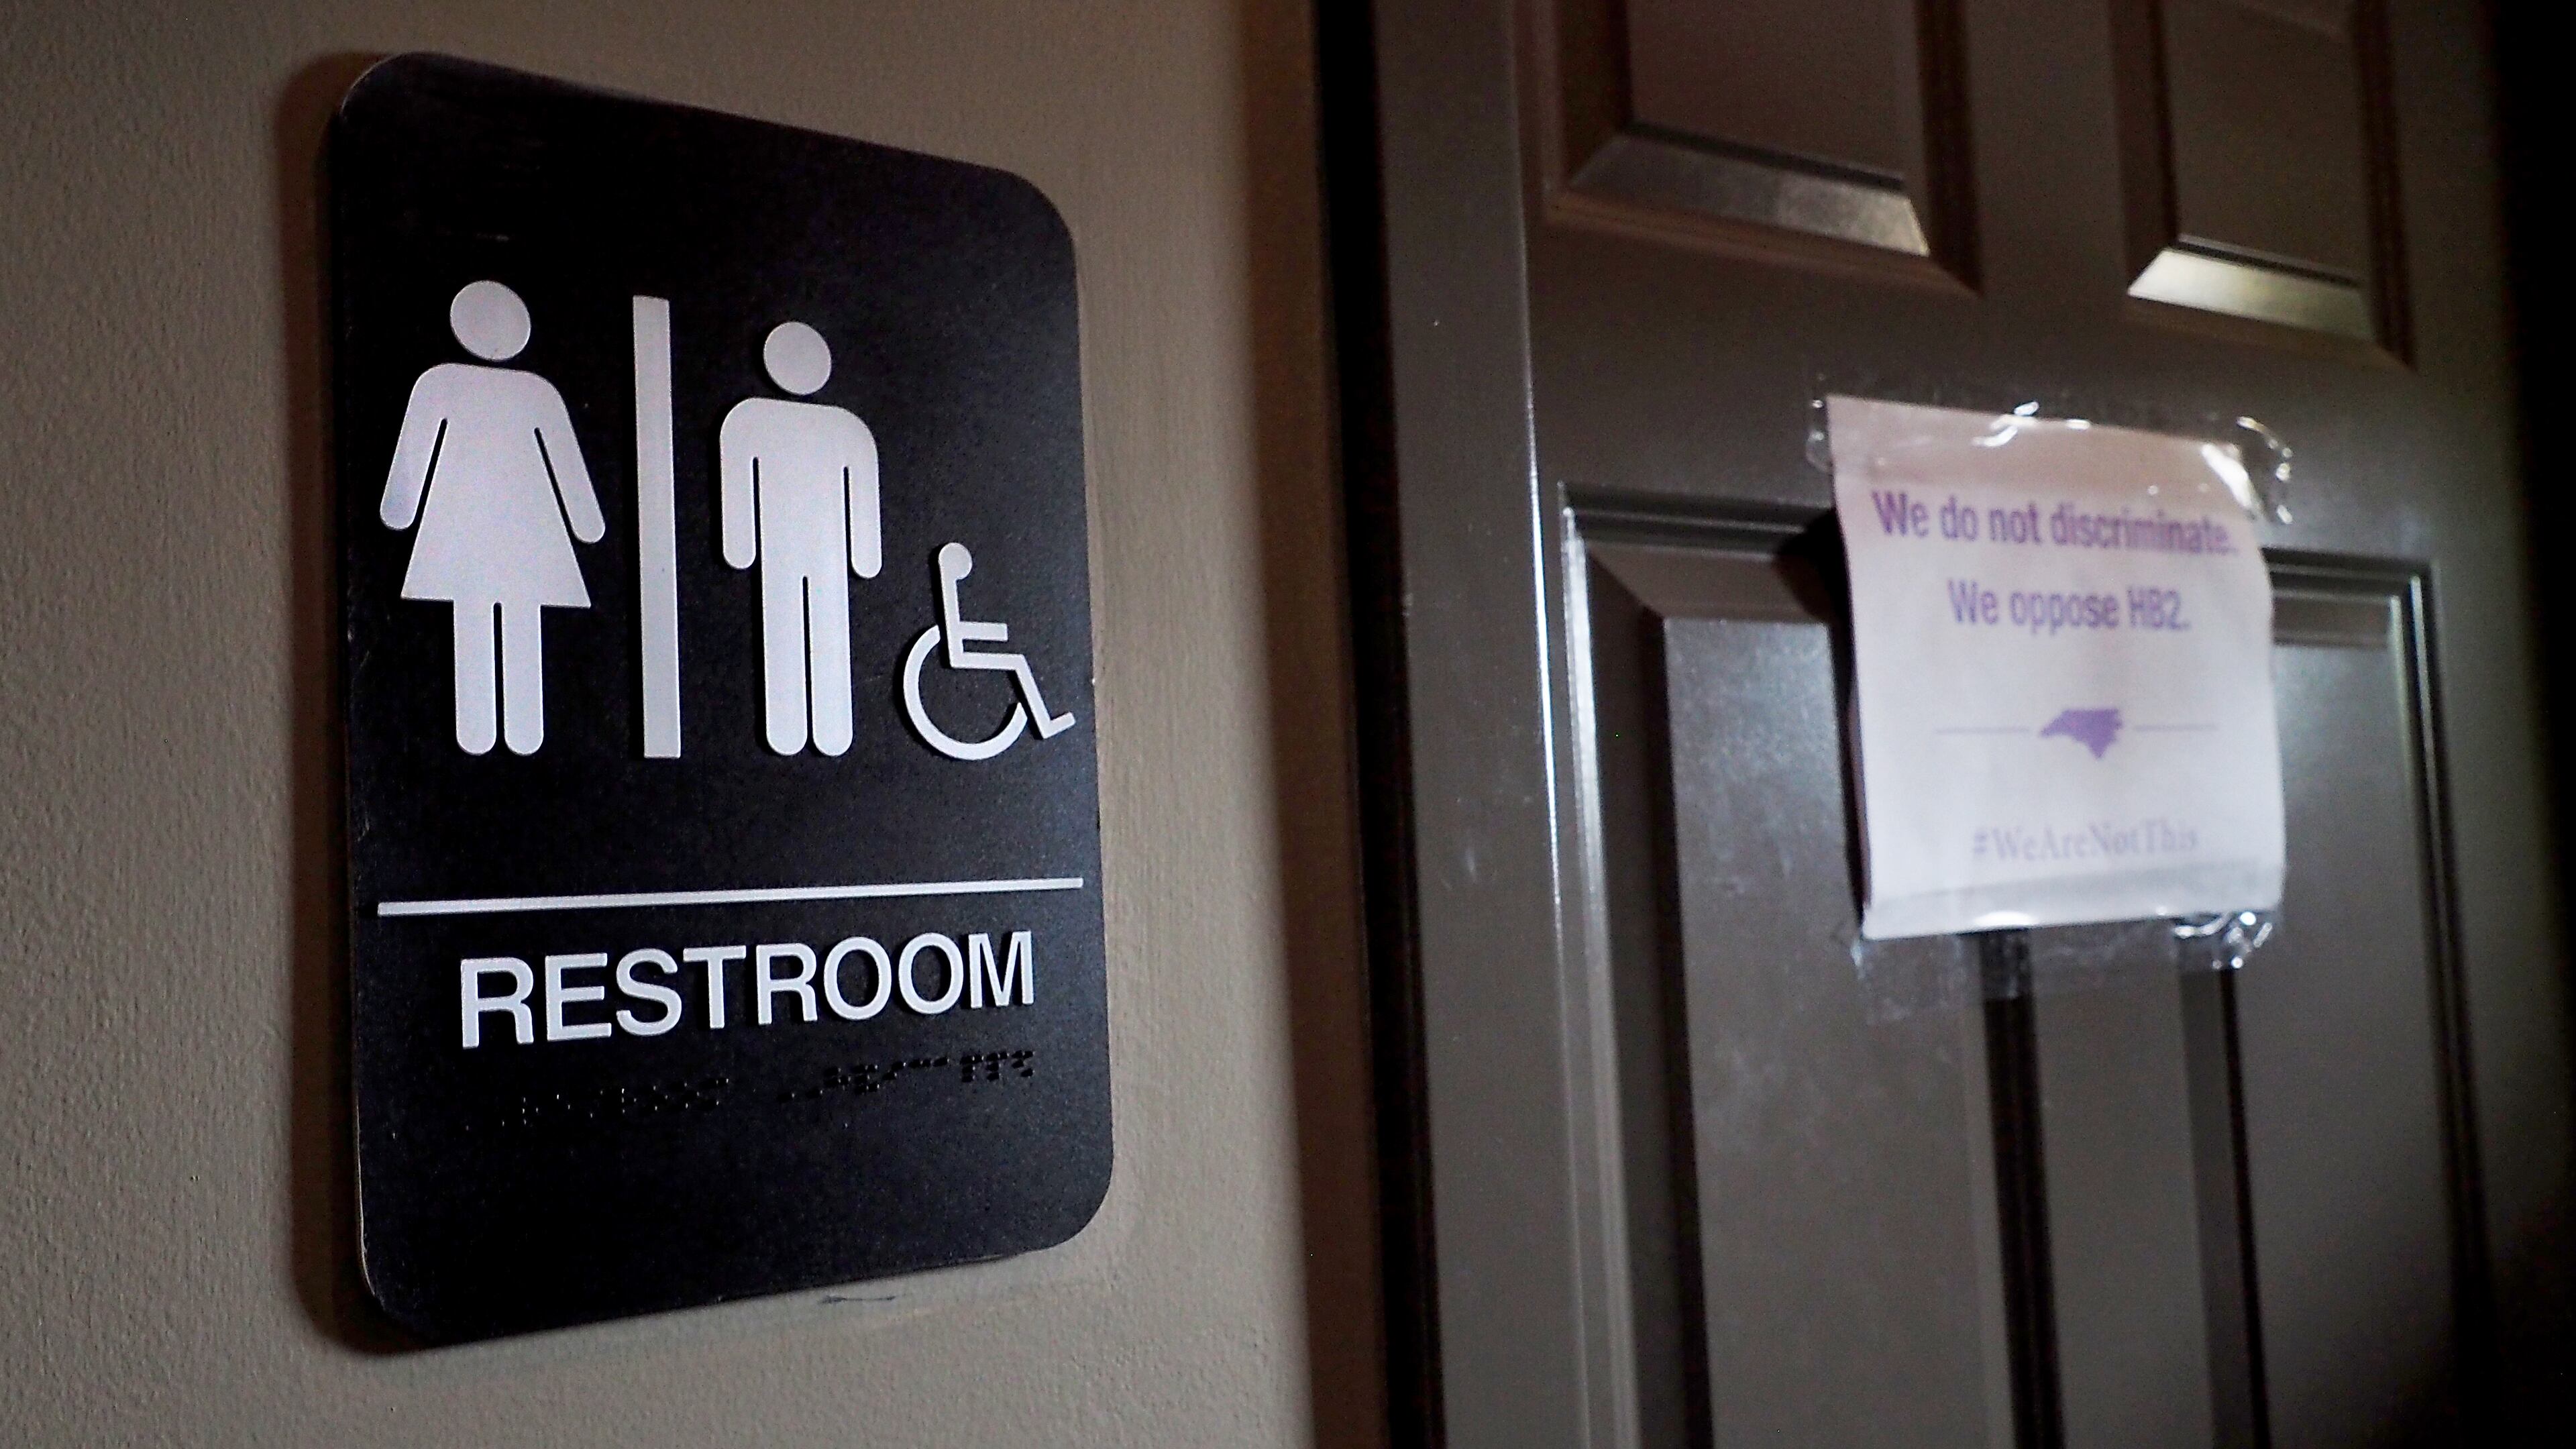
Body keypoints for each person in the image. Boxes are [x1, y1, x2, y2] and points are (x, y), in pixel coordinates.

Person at [380, 280, 604, 755]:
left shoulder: (447, 384)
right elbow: (568, 470)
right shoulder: (519, 391)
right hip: (513, 530)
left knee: (486, 615)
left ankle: (502, 728)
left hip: (476, 527)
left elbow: (566, 464)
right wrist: (585, 524)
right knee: (492, 616)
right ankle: (496, 728)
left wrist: (401, 514)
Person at [718, 320, 882, 755]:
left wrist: (865, 555)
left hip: (814, 548)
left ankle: (827, 728)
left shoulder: (840, 428)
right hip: (783, 546)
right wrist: (739, 546)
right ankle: (788, 727)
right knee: (785, 627)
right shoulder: (750, 418)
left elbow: (862, 493)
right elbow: (738, 488)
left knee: (818, 628)